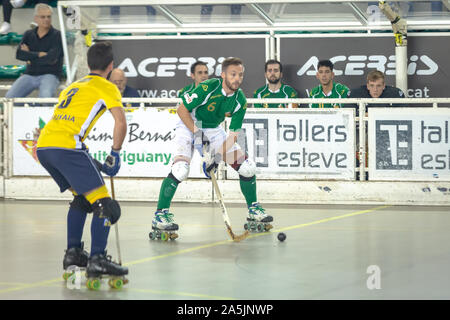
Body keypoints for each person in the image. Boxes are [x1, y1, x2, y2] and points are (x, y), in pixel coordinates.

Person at [150, 57, 273, 240]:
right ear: (223, 75)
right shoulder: (209, 87)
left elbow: (232, 136)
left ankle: (254, 209)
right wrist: (197, 134)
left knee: (247, 167)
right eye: (233, 74)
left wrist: (215, 159)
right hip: (188, 123)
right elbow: (182, 110)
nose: (237, 79)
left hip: (214, 129)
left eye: (240, 75)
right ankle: (160, 214)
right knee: (180, 169)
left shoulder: (240, 100)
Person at [36, 41, 128, 284]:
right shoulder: (108, 87)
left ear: (88, 64)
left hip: (45, 146)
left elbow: (66, 120)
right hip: (67, 147)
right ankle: (97, 258)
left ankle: (73, 253)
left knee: (82, 199)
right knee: (106, 207)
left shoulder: (73, 86)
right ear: (110, 66)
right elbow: (120, 122)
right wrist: (115, 153)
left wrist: (90, 158)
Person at [5, 3, 63, 99]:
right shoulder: (28, 34)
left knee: (45, 97)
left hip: (50, 74)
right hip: (30, 74)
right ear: (36, 18)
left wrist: (30, 57)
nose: (46, 19)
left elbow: (51, 59)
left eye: (48, 17)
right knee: (10, 97)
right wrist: (39, 54)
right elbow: (19, 54)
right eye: (43, 17)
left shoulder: (57, 35)